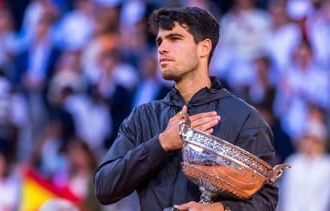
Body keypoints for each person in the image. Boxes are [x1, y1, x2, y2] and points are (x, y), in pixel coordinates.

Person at [94, 7, 278, 211]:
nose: (162, 48)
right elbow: (104, 187)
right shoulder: (143, 116)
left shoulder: (244, 117)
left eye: (174, 38)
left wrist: (219, 209)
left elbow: (266, 200)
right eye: (159, 41)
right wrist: (161, 143)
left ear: (204, 48)